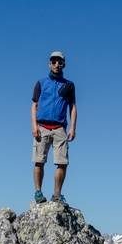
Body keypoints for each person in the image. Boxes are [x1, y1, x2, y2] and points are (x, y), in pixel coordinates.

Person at [31, 50, 77, 204]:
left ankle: (57, 194)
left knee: (62, 163)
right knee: (39, 161)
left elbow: (73, 107)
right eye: (54, 61)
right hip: (42, 126)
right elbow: (34, 105)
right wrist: (34, 125)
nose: (57, 64)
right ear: (49, 63)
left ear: (63, 64)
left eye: (59, 61)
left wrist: (72, 128)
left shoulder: (69, 85)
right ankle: (38, 192)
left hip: (59, 128)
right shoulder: (41, 83)